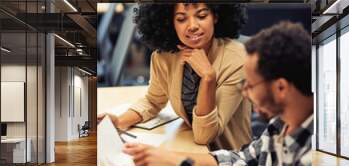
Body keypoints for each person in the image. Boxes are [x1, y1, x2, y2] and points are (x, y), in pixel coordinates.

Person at [123, 21, 314, 166]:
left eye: (250, 85)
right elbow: (244, 161)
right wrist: (173, 160)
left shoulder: (308, 161)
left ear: (281, 88)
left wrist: (208, 77)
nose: (246, 93)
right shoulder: (279, 127)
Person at [98, 3, 252, 150]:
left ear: (215, 16)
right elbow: (152, 101)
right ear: (170, 22)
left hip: (228, 159)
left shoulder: (237, 59)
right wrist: (119, 121)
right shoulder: (164, 57)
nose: (192, 26)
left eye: (202, 15)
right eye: (181, 19)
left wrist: (208, 77)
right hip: (188, 146)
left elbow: (205, 136)